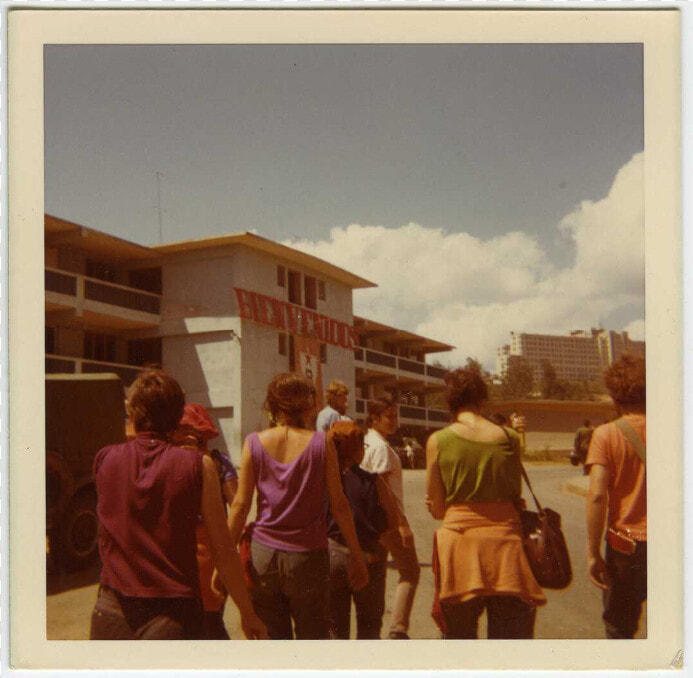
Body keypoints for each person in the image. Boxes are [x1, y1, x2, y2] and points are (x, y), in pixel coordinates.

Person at [89, 368, 267, 641]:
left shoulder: (105, 459)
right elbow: (222, 548)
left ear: (133, 413)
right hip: (173, 616)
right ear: (176, 416)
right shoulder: (198, 466)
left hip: (111, 611)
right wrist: (247, 612)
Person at [227, 372, 369, 639]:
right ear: (308, 406)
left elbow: (240, 506)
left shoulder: (254, 442)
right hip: (307, 557)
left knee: (274, 646)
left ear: (273, 406)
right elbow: (339, 506)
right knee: (311, 646)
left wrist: (220, 560)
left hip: (263, 555)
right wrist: (357, 555)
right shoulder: (321, 442)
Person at [425, 365, 546, 639]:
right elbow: (516, 496)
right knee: (507, 652)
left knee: (460, 647)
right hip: (507, 552)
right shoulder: (509, 438)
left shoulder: (438, 441)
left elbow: (437, 509)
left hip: (459, 553)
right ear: (482, 400)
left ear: (450, 401)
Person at [585, 354, 646, 639]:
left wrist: (592, 552)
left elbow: (597, 496)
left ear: (614, 395)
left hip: (626, 548)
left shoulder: (606, 435)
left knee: (620, 630)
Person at [327, 421, 401, 639]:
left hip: (333, 556)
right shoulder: (373, 481)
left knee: (336, 628)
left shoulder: (323, 482)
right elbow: (393, 518)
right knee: (369, 625)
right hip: (369, 556)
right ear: (358, 451)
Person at [171, 403, 239, 640]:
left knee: (197, 626)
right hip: (210, 555)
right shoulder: (219, 463)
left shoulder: (169, 464)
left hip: (190, 554)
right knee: (209, 624)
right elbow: (237, 508)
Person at [360, 396, 420, 640]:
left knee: (377, 577)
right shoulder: (381, 448)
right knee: (410, 571)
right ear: (375, 419)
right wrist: (402, 525)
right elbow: (384, 491)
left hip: (370, 523)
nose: (395, 421)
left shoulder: (365, 443)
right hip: (389, 522)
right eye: (390, 417)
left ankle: (375, 627)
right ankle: (398, 628)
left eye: (396, 416)